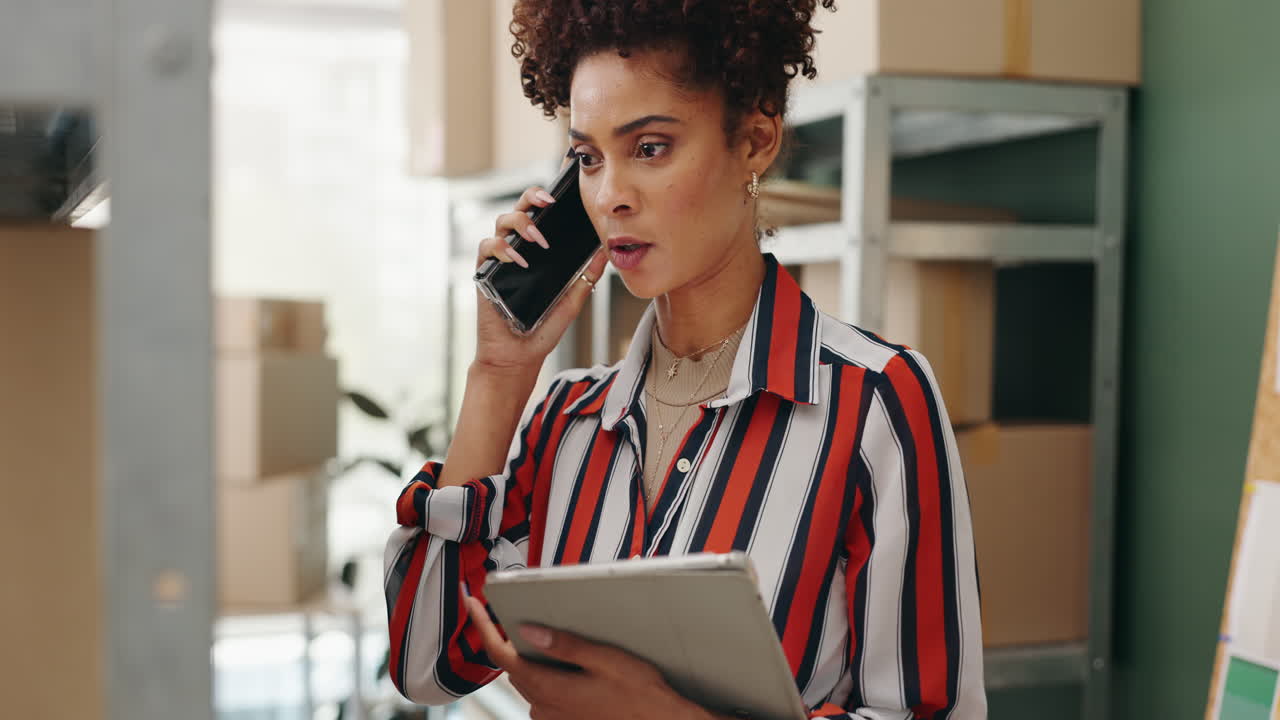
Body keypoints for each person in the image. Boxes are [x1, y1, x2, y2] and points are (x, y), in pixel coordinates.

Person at [384, 1, 986, 717]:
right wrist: (498, 376)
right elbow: (428, 664)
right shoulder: (564, 418)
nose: (610, 196)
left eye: (650, 148)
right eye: (588, 159)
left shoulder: (875, 402)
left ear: (756, 140)